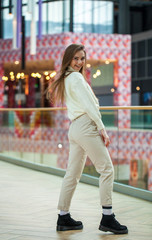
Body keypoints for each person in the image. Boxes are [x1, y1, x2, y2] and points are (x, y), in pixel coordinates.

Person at [46, 44, 128, 234]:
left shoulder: (67, 78)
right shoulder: (75, 78)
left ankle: (63, 216)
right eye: (75, 58)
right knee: (106, 169)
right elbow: (90, 106)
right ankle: (107, 217)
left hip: (74, 127)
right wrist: (102, 129)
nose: (79, 62)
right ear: (68, 59)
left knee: (72, 174)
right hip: (85, 125)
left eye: (82, 58)